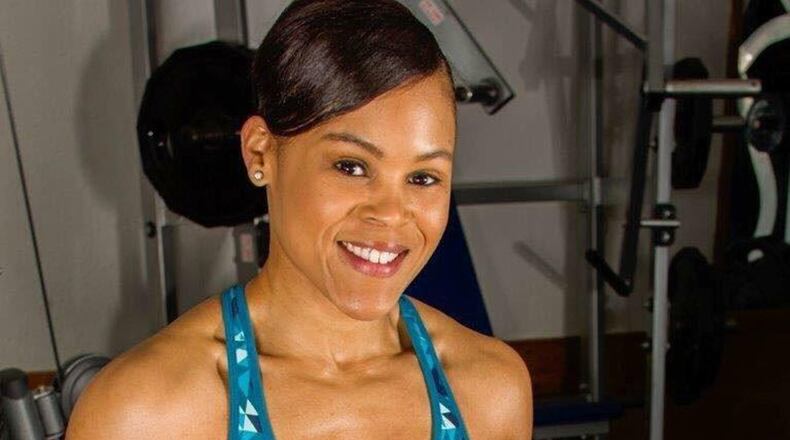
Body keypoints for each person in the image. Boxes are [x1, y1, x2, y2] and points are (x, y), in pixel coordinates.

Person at [66, 0, 532, 438]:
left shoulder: (489, 390)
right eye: (351, 166)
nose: (391, 214)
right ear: (260, 152)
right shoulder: (147, 412)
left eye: (424, 177)